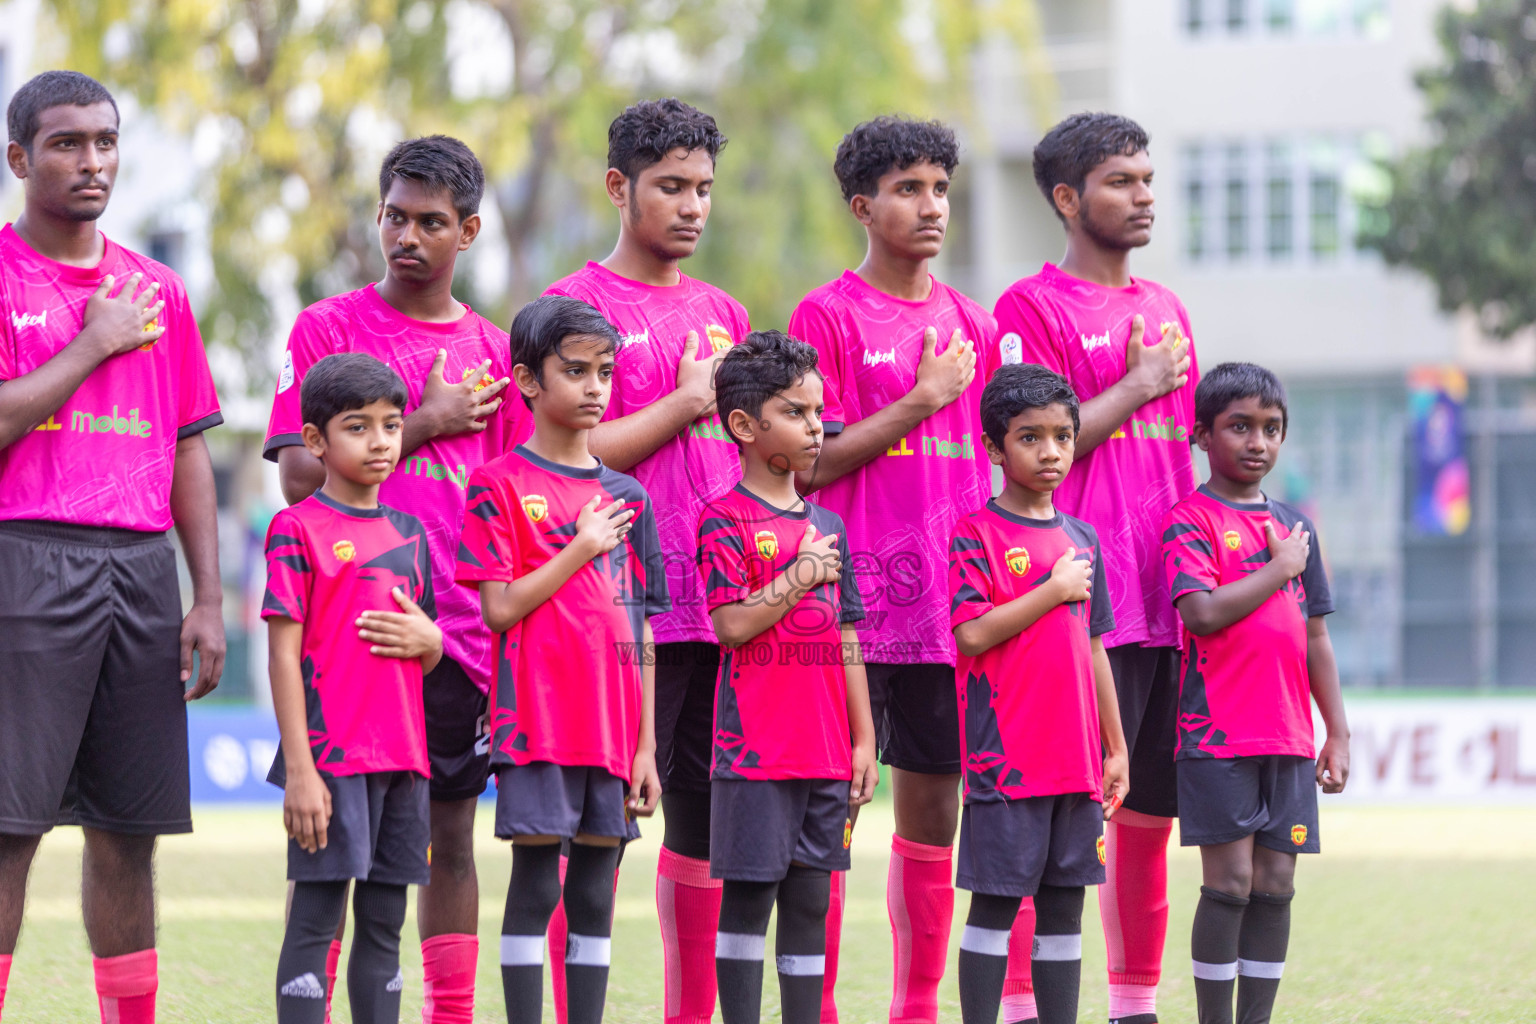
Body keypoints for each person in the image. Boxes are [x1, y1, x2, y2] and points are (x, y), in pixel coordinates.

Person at [263, 135, 523, 1023]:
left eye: (433, 222)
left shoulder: (497, 351)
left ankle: (447, 1011)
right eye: (395, 217)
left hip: (454, 637)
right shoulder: (326, 329)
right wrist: (428, 418)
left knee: (447, 838)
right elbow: (297, 481)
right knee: (333, 851)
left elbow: (516, 499)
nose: (409, 236)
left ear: (470, 230)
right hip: (350, 641)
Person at [0, 70, 225, 1024]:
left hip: (139, 572)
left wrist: (206, 596)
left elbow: (187, 450)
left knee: (130, 834)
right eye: (65, 143)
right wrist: (91, 344)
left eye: (105, 140)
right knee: (9, 831)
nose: (92, 161)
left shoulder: (160, 290)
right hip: (25, 559)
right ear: (19, 159)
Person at [788, 115, 1006, 1024]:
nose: (931, 207)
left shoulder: (976, 325)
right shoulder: (824, 317)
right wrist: (921, 400)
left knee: (934, 821)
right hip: (840, 615)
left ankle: (917, 1010)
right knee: (828, 818)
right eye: (909, 189)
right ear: (862, 206)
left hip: (949, 616)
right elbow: (806, 466)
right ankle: (821, 1008)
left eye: (940, 189)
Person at [543, 97, 747, 1024]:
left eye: (704, 187)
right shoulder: (572, 309)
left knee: (704, 828)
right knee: (596, 830)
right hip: (614, 613)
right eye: (671, 186)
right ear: (620, 187)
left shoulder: (725, 311)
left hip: (719, 611)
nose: (693, 206)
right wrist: (682, 404)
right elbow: (566, 458)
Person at [992, 112, 1198, 1024]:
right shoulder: (1029, 310)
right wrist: (1137, 385)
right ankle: (1028, 1003)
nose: (1144, 194)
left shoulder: (1167, 308)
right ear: (1068, 199)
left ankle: (1134, 1005)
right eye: (1122, 180)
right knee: (1059, 817)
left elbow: (1183, 459)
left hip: (1167, 600)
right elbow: (1038, 451)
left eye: (1149, 178)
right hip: (1068, 603)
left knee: (1150, 809)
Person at [456, 295, 667, 1024]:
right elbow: (500, 608)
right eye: (573, 370)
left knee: (594, 892)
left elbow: (639, 628)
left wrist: (645, 745)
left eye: (604, 371)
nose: (594, 386)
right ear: (528, 381)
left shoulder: (628, 495)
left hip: (613, 732)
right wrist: (579, 547)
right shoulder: (498, 484)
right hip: (538, 723)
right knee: (539, 884)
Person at [696, 331, 879, 1024]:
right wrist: (800, 573)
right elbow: (731, 626)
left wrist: (862, 741)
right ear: (744, 426)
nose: (816, 427)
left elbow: (849, 634)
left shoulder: (827, 522)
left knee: (811, 900)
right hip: (755, 758)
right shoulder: (722, 518)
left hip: (827, 755)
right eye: (797, 413)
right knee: (750, 901)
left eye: (818, 412)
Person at [1159, 362, 1349, 1024]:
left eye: (1271, 429)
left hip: (1290, 738)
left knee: (1277, 883)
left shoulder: (1297, 530)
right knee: (1230, 883)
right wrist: (1277, 569)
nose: (1257, 442)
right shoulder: (1190, 520)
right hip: (1216, 739)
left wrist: (1338, 733)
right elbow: (1203, 614)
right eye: (1240, 426)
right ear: (1202, 434)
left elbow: (1316, 638)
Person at [947, 364, 1130, 1024]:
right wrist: (1049, 590)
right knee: (995, 904)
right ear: (995, 449)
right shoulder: (976, 533)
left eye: (1062, 435)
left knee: (1064, 907)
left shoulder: (1083, 541)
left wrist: (1116, 747)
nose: (1050, 451)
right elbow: (970, 635)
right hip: (1007, 762)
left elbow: (1095, 647)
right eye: (1030, 437)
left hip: (1075, 763)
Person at [265, 353, 442, 1024]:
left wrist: (435, 646)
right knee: (315, 918)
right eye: (357, 427)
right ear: (315, 441)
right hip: (332, 760)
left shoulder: (410, 535)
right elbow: (284, 655)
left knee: (384, 925)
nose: (379, 442)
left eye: (391, 426)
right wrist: (301, 772)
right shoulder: (297, 527)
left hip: (404, 760)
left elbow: (416, 652)